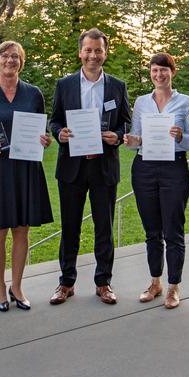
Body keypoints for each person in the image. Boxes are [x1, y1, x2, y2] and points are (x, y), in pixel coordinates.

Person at [0, 40, 53, 311]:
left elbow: (42, 129)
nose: (10, 60)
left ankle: (17, 285)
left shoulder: (34, 93)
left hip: (26, 167)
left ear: (21, 62)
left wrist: (44, 139)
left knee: (21, 229)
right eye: (5, 56)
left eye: (15, 56)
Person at [49, 28, 131, 305]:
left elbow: (126, 122)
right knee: (70, 226)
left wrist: (117, 136)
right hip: (72, 167)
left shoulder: (117, 86)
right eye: (88, 50)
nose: (93, 55)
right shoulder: (65, 84)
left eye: (98, 50)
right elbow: (55, 120)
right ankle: (66, 282)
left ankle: (103, 282)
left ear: (105, 53)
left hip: (104, 166)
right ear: (80, 52)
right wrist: (59, 134)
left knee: (104, 227)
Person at [124, 53, 189, 309]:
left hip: (174, 169)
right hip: (144, 168)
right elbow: (136, 140)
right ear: (150, 73)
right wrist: (132, 142)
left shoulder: (185, 102)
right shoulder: (141, 102)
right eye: (155, 70)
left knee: (173, 231)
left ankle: (173, 287)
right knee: (152, 232)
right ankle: (155, 282)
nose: (159, 75)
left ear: (172, 72)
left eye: (164, 70)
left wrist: (180, 138)